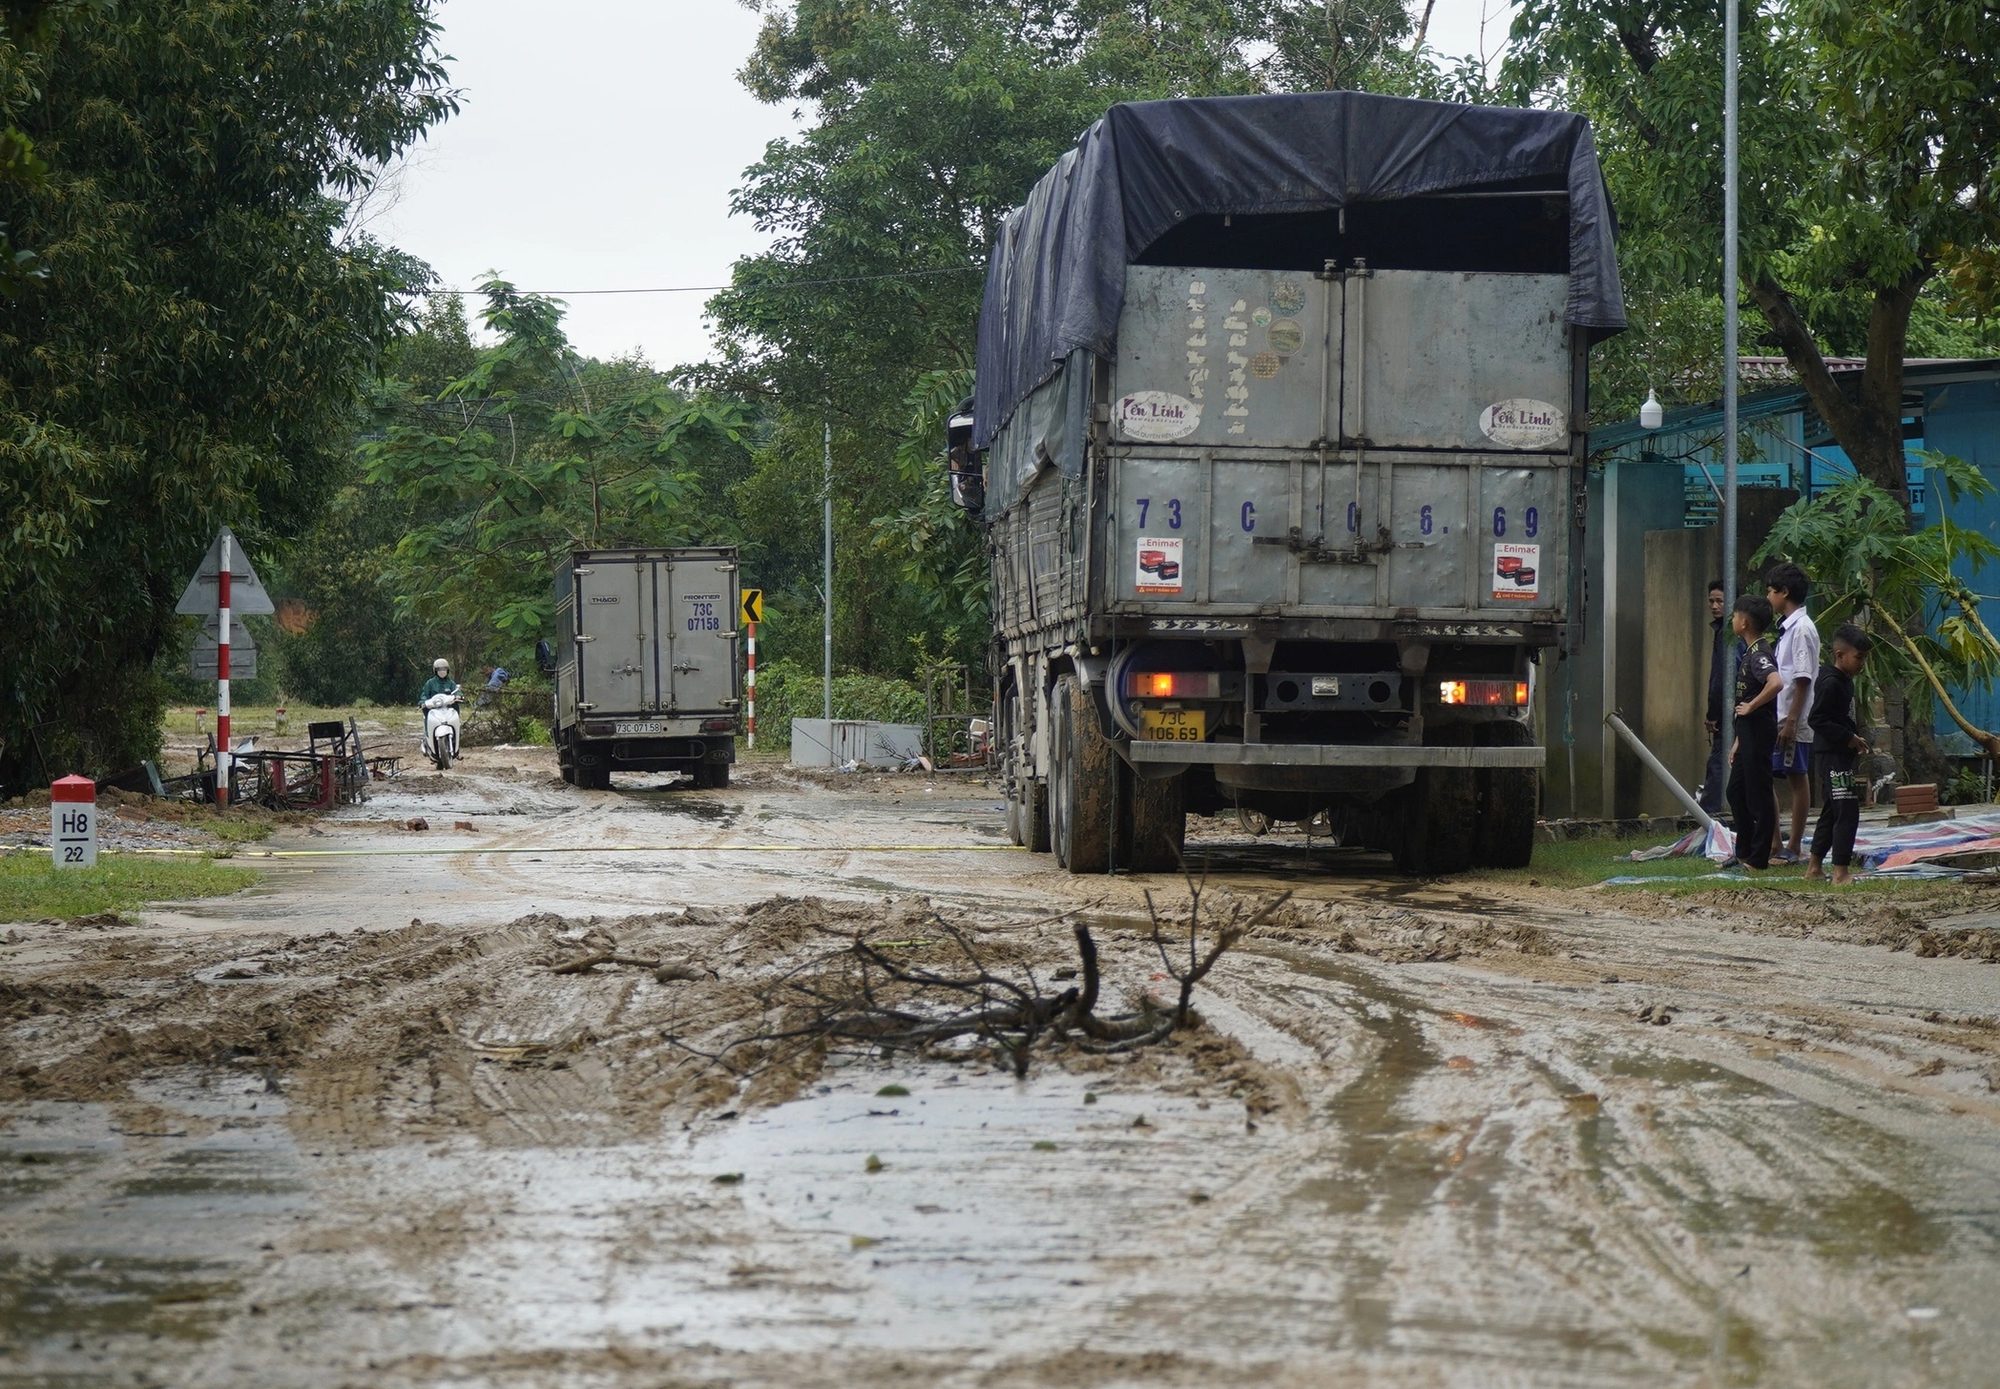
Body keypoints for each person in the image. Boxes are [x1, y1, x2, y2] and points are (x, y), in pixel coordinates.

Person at [1806, 626, 1873, 885]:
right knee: (1847, 809)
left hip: (1839, 753)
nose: (1862, 664)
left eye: (1865, 658)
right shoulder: (1831, 681)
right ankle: (1840, 872)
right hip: (1832, 756)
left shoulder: (1843, 680)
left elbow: (1840, 717)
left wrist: (1854, 738)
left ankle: (1813, 868)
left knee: (1832, 811)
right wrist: (1847, 738)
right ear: (1839, 654)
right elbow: (1817, 719)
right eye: (1859, 657)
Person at [1766, 561, 1820, 863]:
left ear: (1784, 592)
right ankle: (1775, 842)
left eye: (1771, 592)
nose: (1768, 598)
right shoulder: (1787, 630)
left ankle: (1795, 844)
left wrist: (1791, 722)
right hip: (1780, 716)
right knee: (1770, 776)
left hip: (1792, 719)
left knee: (1796, 778)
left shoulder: (1801, 630)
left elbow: (1802, 679)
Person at [1725, 595, 1783, 871]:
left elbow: (1776, 682)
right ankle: (1743, 853)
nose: (1733, 620)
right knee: (1736, 792)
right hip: (1746, 732)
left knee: (1759, 796)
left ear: (1744, 622)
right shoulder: (1749, 651)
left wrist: (1752, 706)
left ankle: (1758, 859)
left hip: (1759, 729)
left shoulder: (1759, 654)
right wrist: (1738, 740)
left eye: (1735, 616)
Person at [1699, 578, 1729, 813]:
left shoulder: (1727, 634)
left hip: (1729, 712)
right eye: (1711, 601)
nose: (1714, 606)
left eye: (1720, 601)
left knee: (1719, 761)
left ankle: (1710, 815)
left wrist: (1713, 713)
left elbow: (1720, 678)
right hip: (1731, 709)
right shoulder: (1723, 632)